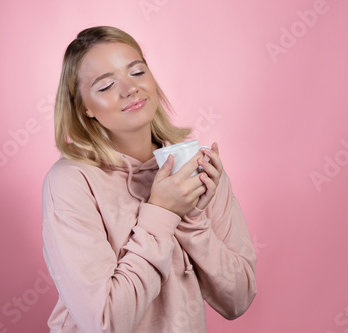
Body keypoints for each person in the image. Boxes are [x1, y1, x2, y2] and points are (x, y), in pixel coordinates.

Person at [42, 26, 257, 333]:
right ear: (84, 108)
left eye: (138, 72)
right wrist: (163, 211)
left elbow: (238, 298)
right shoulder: (70, 182)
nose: (130, 89)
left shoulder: (195, 168)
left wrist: (192, 218)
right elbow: (106, 323)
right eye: (105, 86)